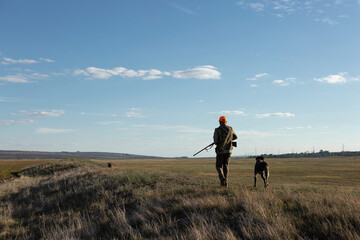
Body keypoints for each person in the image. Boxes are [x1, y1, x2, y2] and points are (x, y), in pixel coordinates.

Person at [213, 116, 237, 187]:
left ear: (219, 122)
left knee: (218, 166)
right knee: (226, 166)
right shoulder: (230, 128)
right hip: (229, 150)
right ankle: (225, 181)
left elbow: (216, 141)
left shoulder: (217, 130)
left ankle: (222, 178)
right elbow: (235, 137)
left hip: (220, 150)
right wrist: (229, 139)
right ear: (226, 122)